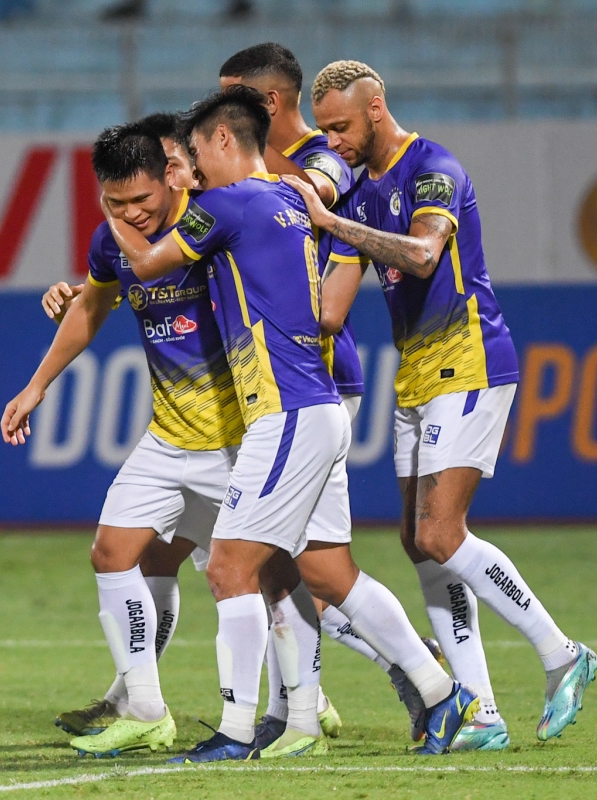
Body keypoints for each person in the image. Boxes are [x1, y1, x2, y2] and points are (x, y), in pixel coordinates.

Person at [103, 86, 479, 761]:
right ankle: (440, 693)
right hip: (316, 405)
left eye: (187, 157)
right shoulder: (283, 197)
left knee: (227, 569)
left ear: (223, 142)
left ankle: (236, 730)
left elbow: (147, 263)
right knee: (330, 573)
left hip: (287, 415)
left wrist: (114, 214)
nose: (181, 171)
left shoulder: (225, 204)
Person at [284, 59, 597, 745]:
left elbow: (425, 256)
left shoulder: (433, 170)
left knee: (438, 533)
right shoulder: (358, 194)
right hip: (417, 375)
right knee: (418, 544)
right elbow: (331, 311)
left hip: (472, 363)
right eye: (325, 130)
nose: (331, 142)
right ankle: (480, 712)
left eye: (340, 127)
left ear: (374, 108)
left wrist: (329, 224)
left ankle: (562, 654)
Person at [218, 41, 444, 748]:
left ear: (265, 103)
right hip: (281, 386)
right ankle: (332, 703)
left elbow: (319, 192)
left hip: (309, 380)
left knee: (266, 561)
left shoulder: (325, 160)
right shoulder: (266, 173)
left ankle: (316, 705)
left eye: (232, 98)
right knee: (307, 564)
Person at [1, 117, 243, 757]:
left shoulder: (213, 221)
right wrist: (37, 386)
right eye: (116, 203)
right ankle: (144, 708)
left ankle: (414, 683)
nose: (132, 214)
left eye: (141, 200)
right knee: (113, 554)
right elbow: (93, 306)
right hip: (169, 438)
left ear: (170, 175)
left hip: (239, 439)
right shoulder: (111, 242)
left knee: (302, 582)